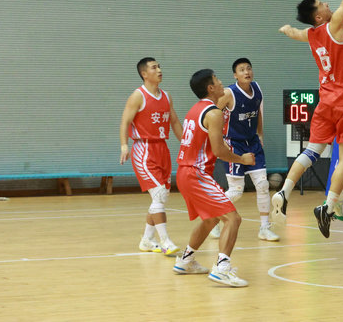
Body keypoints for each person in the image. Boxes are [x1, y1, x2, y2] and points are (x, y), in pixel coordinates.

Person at [272, 0, 343, 238]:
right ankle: (328, 206)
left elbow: (295, 33)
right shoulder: (334, 26)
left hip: (325, 103)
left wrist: (287, 29)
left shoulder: (311, 35)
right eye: (321, 3)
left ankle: (285, 190)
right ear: (319, 16)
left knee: (312, 151)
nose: (326, 3)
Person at [173, 69, 255, 287]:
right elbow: (219, 151)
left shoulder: (195, 109)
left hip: (184, 172)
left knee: (211, 219)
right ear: (210, 88)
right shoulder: (214, 113)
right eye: (218, 81)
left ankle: (185, 261)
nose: (222, 84)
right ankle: (222, 269)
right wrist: (242, 159)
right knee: (233, 219)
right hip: (196, 174)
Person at [210, 58, 279, 242]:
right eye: (242, 70)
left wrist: (260, 135)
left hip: (253, 143)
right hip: (234, 144)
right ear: (235, 75)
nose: (246, 72)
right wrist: (219, 140)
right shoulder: (229, 93)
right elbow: (212, 115)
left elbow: (258, 114)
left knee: (263, 185)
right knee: (236, 191)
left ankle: (264, 227)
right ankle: (213, 218)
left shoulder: (257, 88)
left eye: (249, 68)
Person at [119, 57, 183, 256]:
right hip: (144, 149)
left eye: (159, 66)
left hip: (162, 148)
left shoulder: (166, 96)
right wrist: (124, 145)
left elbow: (174, 122)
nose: (159, 70)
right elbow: (125, 122)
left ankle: (147, 240)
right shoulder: (138, 96)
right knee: (158, 195)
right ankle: (165, 241)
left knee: (161, 197)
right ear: (144, 74)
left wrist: (186, 144)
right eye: (154, 67)